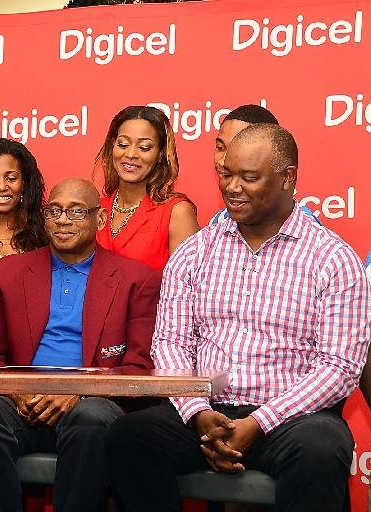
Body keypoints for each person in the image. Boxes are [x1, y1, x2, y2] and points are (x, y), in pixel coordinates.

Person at [107, 123, 370, 512]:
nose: (232, 187)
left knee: (322, 448)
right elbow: (172, 343)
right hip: (207, 413)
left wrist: (260, 422)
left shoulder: (332, 259)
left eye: (249, 178)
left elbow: (339, 367)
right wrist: (198, 413)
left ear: (287, 178)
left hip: (292, 418)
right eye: (226, 174)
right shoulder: (196, 252)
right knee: (129, 436)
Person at [0, 178, 161, 512]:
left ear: (98, 220)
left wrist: (79, 391)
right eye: (54, 211)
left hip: (91, 402)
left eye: (76, 212)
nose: (63, 220)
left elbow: (137, 367)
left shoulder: (135, 279)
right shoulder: (6, 274)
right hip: (20, 402)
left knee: (93, 416)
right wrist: (18, 391)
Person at [94, 105, 199, 271]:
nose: (131, 154)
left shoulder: (176, 212)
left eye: (144, 147)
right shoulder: (95, 208)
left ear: (160, 154)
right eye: (123, 144)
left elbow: (188, 285)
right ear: (112, 146)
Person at [208, 104, 321, 225]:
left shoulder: (307, 230)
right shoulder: (218, 222)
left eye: (239, 150)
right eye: (220, 147)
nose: (222, 161)